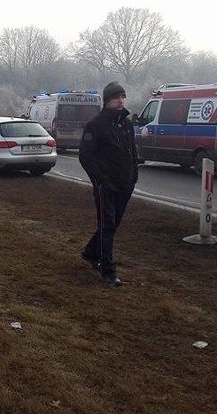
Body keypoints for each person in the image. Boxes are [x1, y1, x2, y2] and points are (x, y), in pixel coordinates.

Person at [78, 81, 139, 287]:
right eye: (116, 97)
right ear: (107, 101)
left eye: (123, 97)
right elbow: (86, 155)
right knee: (107, 225)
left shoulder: (127, 124)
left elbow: (132, 152)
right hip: (106, 185)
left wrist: (134, 174)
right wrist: (100, 179)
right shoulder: (95, 125)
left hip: (125, 183)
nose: (121, 101)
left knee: (113, 225)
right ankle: (107, 270)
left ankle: (89, 252)